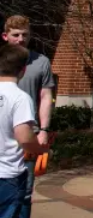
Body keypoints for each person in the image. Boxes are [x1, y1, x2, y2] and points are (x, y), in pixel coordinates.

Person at [2, 16, 53, 218]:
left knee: (24, 192)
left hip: (27, 133)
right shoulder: (2, 61)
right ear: (5, 36)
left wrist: (43, 130)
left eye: (25, 35)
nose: (21, 39)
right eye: (16, 35)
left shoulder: (41, 62)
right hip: (2, 134)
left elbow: (46, 96)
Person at [0, 45, 43, 218]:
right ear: (23, 69)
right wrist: (40, 149)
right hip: (8, 175)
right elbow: (24, 138)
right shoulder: (20, 97)